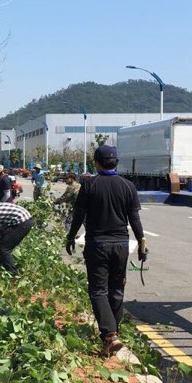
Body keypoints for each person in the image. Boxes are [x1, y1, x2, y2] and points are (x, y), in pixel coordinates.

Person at [65, 146, 147, 356]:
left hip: (98, 244)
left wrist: (70, 236)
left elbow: (79, 215)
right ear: (116, 162)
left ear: (96, 162)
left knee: (98, 290)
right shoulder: (128, 186)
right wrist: (142, 242)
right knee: (117, 290)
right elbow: (135, 219)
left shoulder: (89, 184)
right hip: (121, 245)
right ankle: (112, 336)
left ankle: (110, 335)